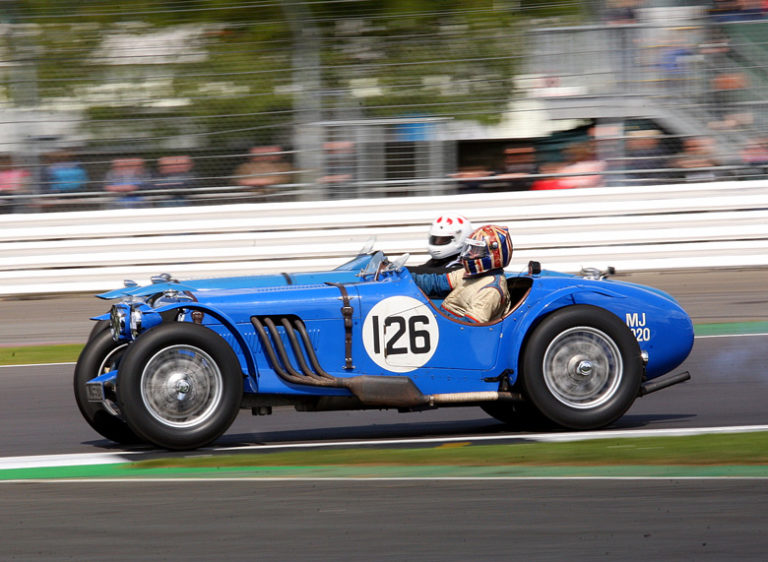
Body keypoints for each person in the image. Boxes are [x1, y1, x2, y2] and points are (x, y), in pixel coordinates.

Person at [413, 225, 512, 324]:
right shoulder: (470, 273)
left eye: (476, 250)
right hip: (444, 322)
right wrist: (407, 277)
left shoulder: (491, 289)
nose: (471, 253)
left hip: (453, 331)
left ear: (492, 254)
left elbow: (469, 327)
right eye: (471, 248)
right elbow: (436, 283)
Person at [409, 214, 473, 274]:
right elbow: (424, 269)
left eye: (443, 240)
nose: (437, 243)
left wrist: (408, 270)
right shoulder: (439, 261)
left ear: (460, 239)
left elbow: (436, 275)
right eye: (435, 239)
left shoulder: (463, 264)